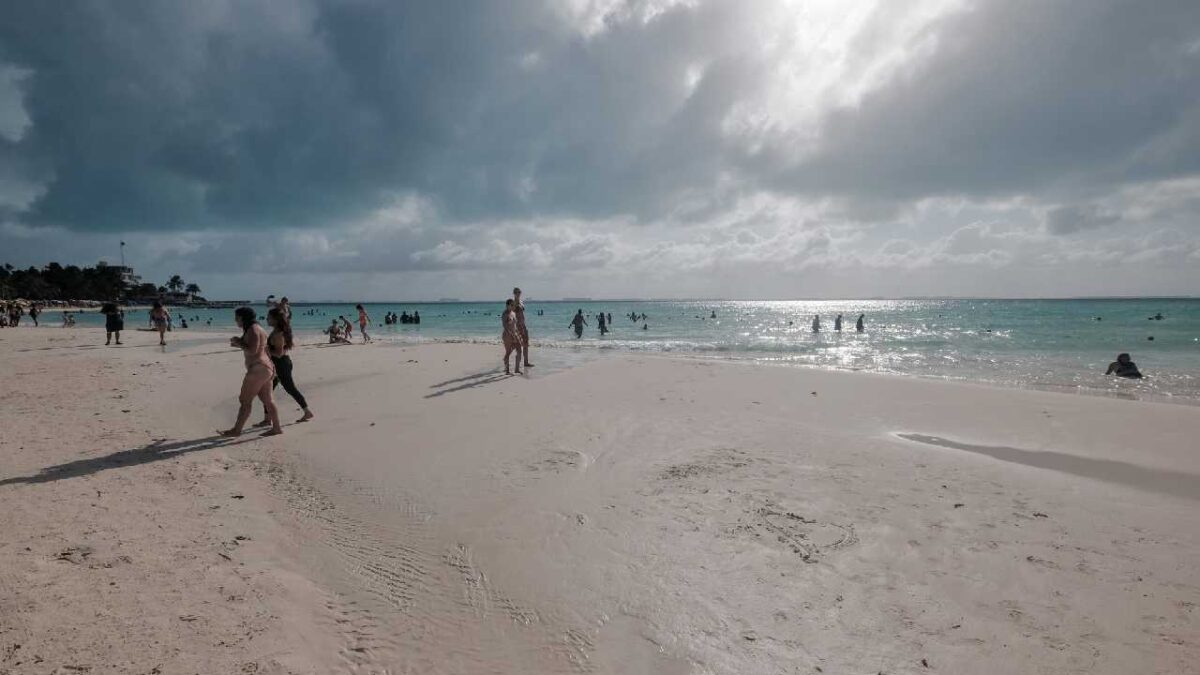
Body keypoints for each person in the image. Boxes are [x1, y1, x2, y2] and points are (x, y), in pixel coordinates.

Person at [219, 307, 282, 437]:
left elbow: (252, 350)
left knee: (245, 400)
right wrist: (239, 342)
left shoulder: (253, 329)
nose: (235, 320)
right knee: (268, 400)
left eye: (237, 317)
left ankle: (236, 430)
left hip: (258, 369)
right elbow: (260, 349)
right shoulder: (258, 328)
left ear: (242, 317)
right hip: (267, 367)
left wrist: (238, 342)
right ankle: (276, 428)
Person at [256, 307, 314, 425]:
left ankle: (307, 412)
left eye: (269, 317)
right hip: (276, 365)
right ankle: (267, 419)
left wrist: (265, 350)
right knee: (268, 391)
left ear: (275, 319)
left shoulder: (278, 334)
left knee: (289, 389)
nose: (266, 319)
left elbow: (279, 353)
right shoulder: (276, 331)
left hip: (282, 364)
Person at [513, 288, 533, 368]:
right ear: (514, 293)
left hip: (523, 325)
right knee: (517, 345)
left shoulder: (521, 302)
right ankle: (514, 364)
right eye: (517, 293)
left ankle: (526, 362)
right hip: (517, 326)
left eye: (519, 292)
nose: (518, 294)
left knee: (526, 343)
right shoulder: (513, 303)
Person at [502, 299, 523, 375]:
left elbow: (515, 326)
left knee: (519, 350)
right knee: (508, 352)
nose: (513, 306)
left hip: (515, 334)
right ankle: (507, 371)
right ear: (507, 305)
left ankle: (516, 369)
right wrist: (511, 335)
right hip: (507, 335)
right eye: (511, 305)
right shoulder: (505, 314)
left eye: (513, 305)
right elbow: (505, 326)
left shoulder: (513, 313)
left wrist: (518, 334)